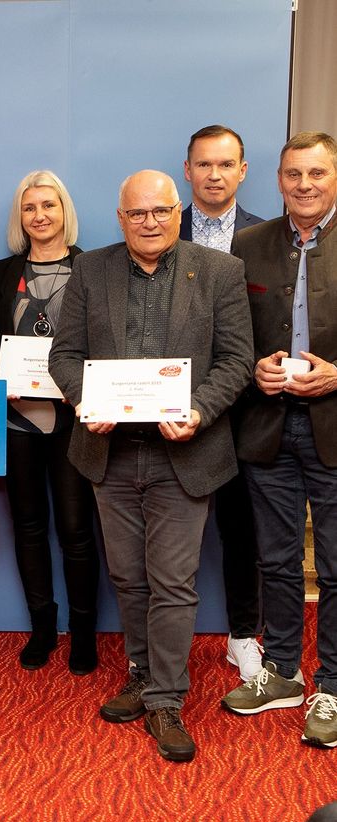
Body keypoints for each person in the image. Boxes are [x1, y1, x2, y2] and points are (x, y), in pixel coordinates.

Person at [49, 170, 253, 762]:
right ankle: (140, 672)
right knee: (128, 578)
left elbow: (237, 361)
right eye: (138, 214)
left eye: (161, 211)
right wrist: (85, 401)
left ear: (178, 209)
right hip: (109, 454)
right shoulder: (91, 270)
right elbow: (65, 356)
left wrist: (198, 409)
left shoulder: (218, 272)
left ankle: (166, 698)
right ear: (120, 217)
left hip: (184, 454)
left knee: (171, 581)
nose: (150, 222)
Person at [221, 131, 337, 750]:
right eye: (293, 174)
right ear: (277, 180)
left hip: (333, 428)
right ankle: (285, 672)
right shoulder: (249, 245)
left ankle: (334, 686)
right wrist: (253, 371)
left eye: (316, 173)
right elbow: (232, 338)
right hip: (267, 427)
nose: (304, 185)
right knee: (276, 562)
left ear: (334, 177)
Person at [0, 170, 101, 674]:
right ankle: (42, 628)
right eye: (30, 208)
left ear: (64, 211)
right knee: (28, 527)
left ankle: (83, 634)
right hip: (16, 421)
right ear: (21, 216)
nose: (40, 216)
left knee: (76, 530)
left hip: (77, 419)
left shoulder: (93, 269)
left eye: (49, 205)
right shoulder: (0, 273)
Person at [182, 125, 265, 681]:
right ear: (187, 170)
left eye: (225, 164)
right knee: (169, 534)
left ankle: (243, 636)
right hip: (172, 407)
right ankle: (159, 645)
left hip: (245, 411)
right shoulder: (161, 229)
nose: (214, 174)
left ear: (242, 171)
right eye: (204, 164)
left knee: (242, 530)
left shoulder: (267, 237)